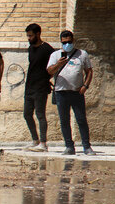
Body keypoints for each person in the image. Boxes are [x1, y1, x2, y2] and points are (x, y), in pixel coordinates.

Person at [47, 30, 95, 156]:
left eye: (69, 42)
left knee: (81, 119)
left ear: (73, 41)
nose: (67, 44)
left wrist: (85, 85)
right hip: (61, 92)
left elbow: (89, 71)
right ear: (61, 42)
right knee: (64, 120)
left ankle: (86, 146)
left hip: (77, 92)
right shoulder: (56, 55)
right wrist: (58, 64)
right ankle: (69, 146)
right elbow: (49, 71)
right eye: (64, 42)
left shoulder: (82, 54)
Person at [24, 23, 55, 152]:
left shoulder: (47, 49)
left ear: (38, 34)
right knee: (27, 114)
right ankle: (35, 140)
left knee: (40, 114)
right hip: (30, 86)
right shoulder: (31, 48)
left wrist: (49, 77)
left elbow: (56, 64)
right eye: (27, 36)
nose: (28, 38)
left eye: (30, 36)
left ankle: (43, 143)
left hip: (41, 87)